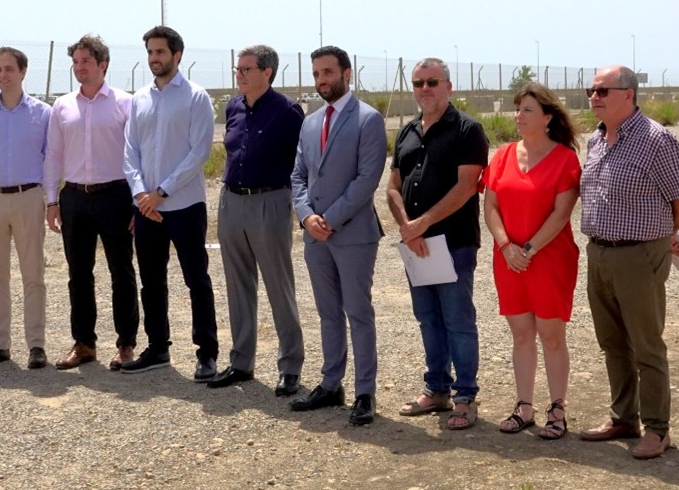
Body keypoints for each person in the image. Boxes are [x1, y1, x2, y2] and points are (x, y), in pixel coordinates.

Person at [578, 65, 679, 459]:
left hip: (639, 255)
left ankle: (658, 430)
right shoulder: (594, 141)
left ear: (628, 93)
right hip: (598, 252)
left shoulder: (658, 140)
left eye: (602, 90)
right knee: (612, 342)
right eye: (591, 90)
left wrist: (661, 239)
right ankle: (624, 417)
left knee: (647, 345)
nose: (594, 96)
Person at [386, 58, 488, 429]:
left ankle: (465, 396)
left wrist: (421, 224)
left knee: (458, 320)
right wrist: (407, 228)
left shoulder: (467, 130)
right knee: (428, 319)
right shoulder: (407, 131)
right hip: (416, 245)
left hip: (453, 243)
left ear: (448, 86)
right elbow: (393, 186)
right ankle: (437, 389)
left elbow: (466, 187)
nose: (424, 88)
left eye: (432, 81)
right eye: (418, 83)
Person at [289, 46, 388, 426]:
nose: (321, 80)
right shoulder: (310, 122)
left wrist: (329, 218)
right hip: (315, 236)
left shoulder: (368, 119)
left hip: (352, 234)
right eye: (316, 74)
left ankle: (365, 392)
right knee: (328, 313)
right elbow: (298, 175)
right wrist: (306, 217)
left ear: (347, 73)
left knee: (358, 313)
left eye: (327, 72)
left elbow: (367, 179)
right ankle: (331, 384)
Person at [482, 83, 581, 439]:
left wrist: (529, 249)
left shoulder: (565, 158)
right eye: (518, 109)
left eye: (527, 110)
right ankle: (524, 406)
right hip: (508, 259)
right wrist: (507, 246)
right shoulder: (504, 155)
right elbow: (489, 205)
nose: (518, 116)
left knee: (551, 335)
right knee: (521, 334)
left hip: (549, 258)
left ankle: (558, 410)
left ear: (547, 117)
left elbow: (561, 213)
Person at [121, 26, 219, 381]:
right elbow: (130, 150)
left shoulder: (196, 97)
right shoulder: (139, 99)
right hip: (147, 209)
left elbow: (199, 153)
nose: (154, 59)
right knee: (151, 281)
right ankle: (157, 348)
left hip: (185, 206)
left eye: (160, 52)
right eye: (150, 52)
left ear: (177, 55)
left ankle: (207, 353)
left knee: (197, 280)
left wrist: (161, 192)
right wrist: (140, 194)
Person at [208, 44, 306, 395]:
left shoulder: (288, 111)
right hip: (231, 201)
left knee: (278, 285)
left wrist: (302, 210)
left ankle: (290, 365)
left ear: (267, 72)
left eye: (247, 69)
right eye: (238, 68)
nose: (239, 74)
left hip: (270, 202)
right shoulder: (233, 106)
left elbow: (302, 164)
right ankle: (240, 362)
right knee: (237, 285)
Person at [43, 34, 140, 371]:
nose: (79, 67)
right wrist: (51, 201)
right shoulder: (63, 105)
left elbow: (135, 155)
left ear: (103, 65)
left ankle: (126, 344)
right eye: (75, 62)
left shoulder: (125, 103)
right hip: (74, 198)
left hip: (115, 195)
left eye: (86, 61)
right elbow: (53, 154)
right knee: (78, 275)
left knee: (121, 272)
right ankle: (84, 343)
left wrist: (136, 202)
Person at [0, 47, 53, 370]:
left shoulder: (42, 113)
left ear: (23, 72)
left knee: (34, 274)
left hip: (28, 197)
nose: (3, 74)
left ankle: (36, 346)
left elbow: (49, 158)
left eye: (9, 69)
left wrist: (47, 199)